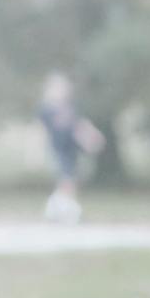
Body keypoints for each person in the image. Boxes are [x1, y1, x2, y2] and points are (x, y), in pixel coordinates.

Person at [38, 73, 104, 224]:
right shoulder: (46, 109)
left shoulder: (70, 109)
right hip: (57, 149)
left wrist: (90, 138)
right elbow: (40, 130)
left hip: (71, 150)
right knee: (66, 181)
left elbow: (78, 126)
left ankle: (56, 210)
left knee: (70, 181)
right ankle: (64, 211)